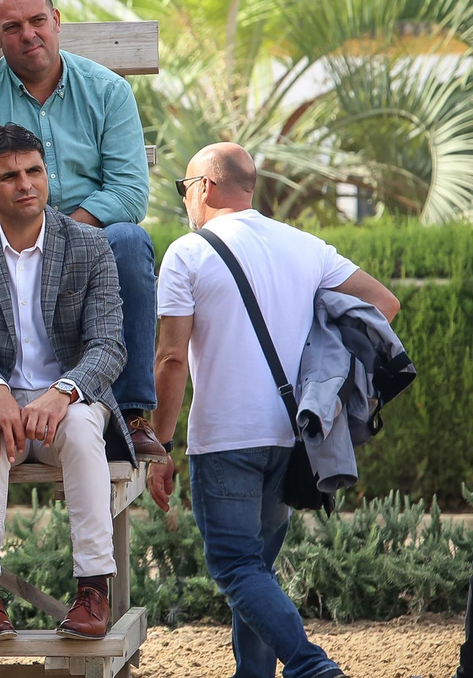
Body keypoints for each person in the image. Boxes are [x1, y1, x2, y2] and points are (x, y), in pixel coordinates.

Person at [148, 143, 398, 678]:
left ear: (205, 187)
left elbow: (170, 358)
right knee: (255, 568)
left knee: (234, 566)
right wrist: (324, 352)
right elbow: (384, 304)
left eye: (184, 188)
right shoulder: (306, 247)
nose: (185, 199)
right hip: (292, 434)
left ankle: (312, 666)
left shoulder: (187, 253)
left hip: (225, 439)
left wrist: (160, 445)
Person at [0, 0, 165, 460]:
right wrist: (32, 233)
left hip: (91, 248)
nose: (29, 35)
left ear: (57, 20)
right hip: (6, 247)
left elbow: (129, 193)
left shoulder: (108, 91)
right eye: (13, 27)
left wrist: (60, 235)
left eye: (38, 20)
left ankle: (132, 414)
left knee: (130, 240)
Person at [0, 124, 135, 643]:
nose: (25, 184)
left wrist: (63, 392)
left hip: (65, 404)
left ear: (47, 175)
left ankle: (93, 591)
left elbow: (109, 345)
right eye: (9, 176)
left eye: (34, 171)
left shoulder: (89, 245)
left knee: (84, 428)